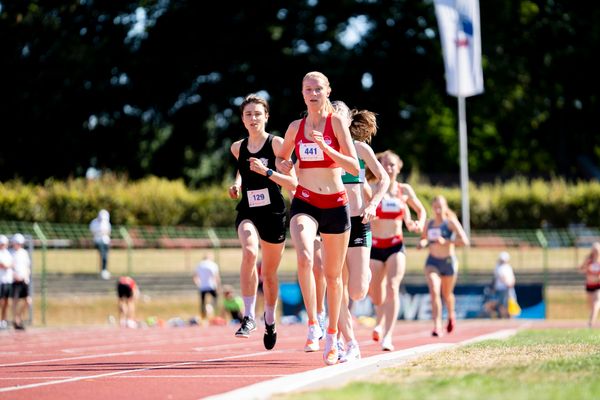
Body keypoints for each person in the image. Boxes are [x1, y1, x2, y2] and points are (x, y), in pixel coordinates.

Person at [278, 71, 359, 365]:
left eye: (317, 89)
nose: (312, 94)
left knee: (333, 277)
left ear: (327, 91)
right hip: (305, 200)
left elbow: (353, 167)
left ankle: (333, 335)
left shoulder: (335, 123)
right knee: (304, 256)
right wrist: (284, 164)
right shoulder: (294, 127)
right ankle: (313, 322)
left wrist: (326, 148)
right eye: (307, 89)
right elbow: (281, 158)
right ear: (302, 93)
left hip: (335, 203)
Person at [228, 93, 297, 350]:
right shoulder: (237, 147)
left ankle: (269, 318)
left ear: (266, 116)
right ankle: (248, 316)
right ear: (243, 119)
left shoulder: (277, 144)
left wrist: (268, 172)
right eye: (248, 114)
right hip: (248, 210)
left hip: (274, 214)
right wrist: (236, 185)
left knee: (268, 274)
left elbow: (293, 182)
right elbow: (242, 169)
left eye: (258, 114)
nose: (253, 118)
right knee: (248, 251)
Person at [333, 101, 390, 362]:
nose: (334, 117)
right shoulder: (322, 150)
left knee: (356, 291)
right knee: (335, 285)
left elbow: (383, 178)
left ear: (348, 120)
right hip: (331, 220)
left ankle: (364, 271)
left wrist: (373, 203)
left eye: (339, 114)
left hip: (357, 221)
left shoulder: (359, 148)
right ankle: (349, 342)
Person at [368, 150, 426, 351]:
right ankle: (379, 319)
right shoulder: (372, 188)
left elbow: (421, 210)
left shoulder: (404, 190)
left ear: (398, 167)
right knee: (376, 294)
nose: (388, 168)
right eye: (384, 164)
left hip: (395, 245)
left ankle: (388, 336)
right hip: (375, 247)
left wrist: (418, 223)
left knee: (393, 287)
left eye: (392, 164)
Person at [417, 195, 470, 337]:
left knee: (447, 294)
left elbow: (464, 241)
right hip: (432, 262)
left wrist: (445, 242)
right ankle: (437, 326)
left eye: (440, 207)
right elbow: (423, 239)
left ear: (445, 207)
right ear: (433, 208)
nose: (438, 210)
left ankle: (451, 315)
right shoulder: (429, 224)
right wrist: (422, 244)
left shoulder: (450, 223)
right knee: (434, 291)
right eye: (435, 207)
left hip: (448, 262)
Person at [485, 251, 516, 318]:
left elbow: (512, 277)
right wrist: (507, 284)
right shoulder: (498, 267)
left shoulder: (508, 267)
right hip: (502, 288)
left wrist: (512, 283)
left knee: (509, 302)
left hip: (508, 287)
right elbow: (501, 277)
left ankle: (509, 315)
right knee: (502, 303)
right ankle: (503, 316)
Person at [10, 233, 31, 330]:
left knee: (28, 301)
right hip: (15, 281)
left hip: (24, 280)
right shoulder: (10, 253)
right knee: (15, 301)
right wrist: (14, 276)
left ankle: (19, 317)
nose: (18, 245)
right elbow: (9, 268)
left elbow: (27, 266)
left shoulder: (24, 253)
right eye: (16, 243)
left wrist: (26, 277)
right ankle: (16, 321)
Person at [193, 254, 221, 322]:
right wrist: (218, 286)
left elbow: (195, 277)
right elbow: (216, 276)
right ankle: (214, 314)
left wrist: (198, 284)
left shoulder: (199, 265)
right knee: (215, 300)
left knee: (202, 303)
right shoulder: (213, 264)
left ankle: (203, 317)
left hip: (202, 286)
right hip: (211, 286)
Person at [578, 242, 600, 328]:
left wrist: (597, 278)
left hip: (598, 285)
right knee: (591, 305)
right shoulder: (589, 260)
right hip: (589, 285)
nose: (596, 251)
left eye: (597, 250)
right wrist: (585, 266)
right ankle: (592, 316)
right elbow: (581, 269)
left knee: (597, 302)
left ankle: (591, 322)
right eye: (594, 250)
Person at [90, 209, 111, 280]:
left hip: (106, 241)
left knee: (105, 256)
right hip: (98, 240)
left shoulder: (106, 223)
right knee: (103, 255)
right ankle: (103, 270)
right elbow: (93, 232)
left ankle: (104, 270)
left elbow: (108, 232)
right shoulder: (94, 222)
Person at [0, 235, 13, 330]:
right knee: (1, 301)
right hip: (1, 280)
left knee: (6, 302)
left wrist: (8, 266)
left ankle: (3, 320)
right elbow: (3, 265)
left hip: (8, 280)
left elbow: (12, 264)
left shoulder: (8, 253)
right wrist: (7, 266)